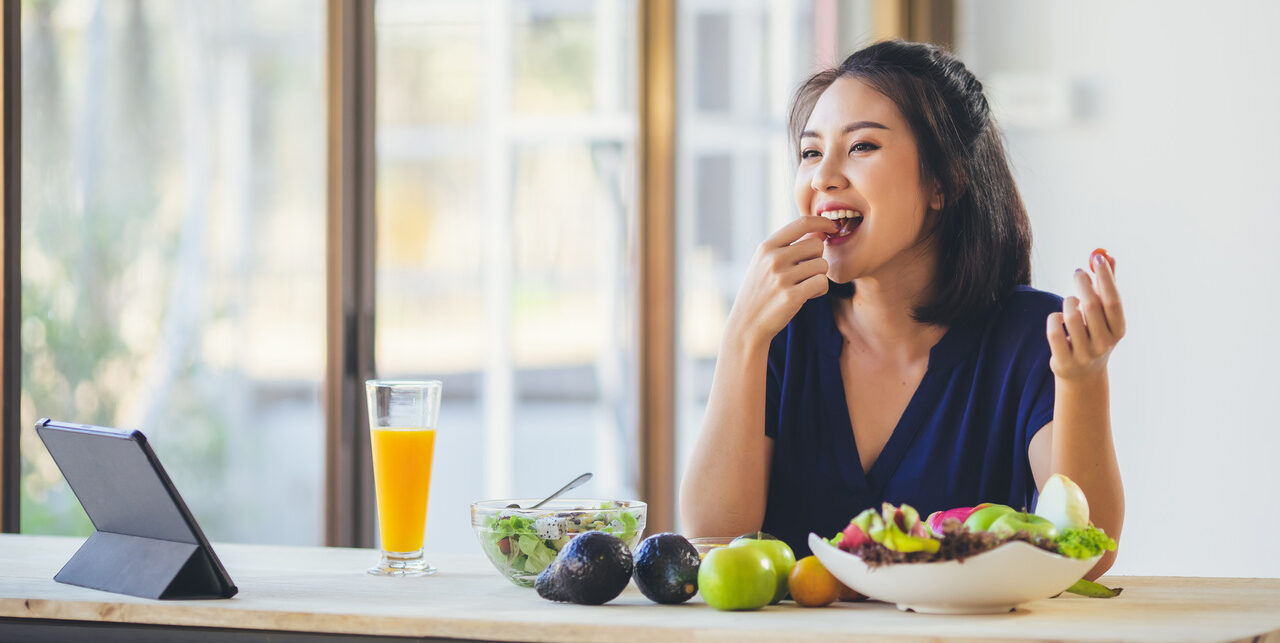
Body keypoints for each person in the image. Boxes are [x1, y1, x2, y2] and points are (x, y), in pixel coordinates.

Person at [678, 40, 1124, 580]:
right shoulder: (782, 332)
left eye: (861, 147)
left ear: (943, 180)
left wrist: (1084, 378)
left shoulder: (1031, 337)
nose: (822, 177)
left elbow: (1087, 556)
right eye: (811, 152)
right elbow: (712, 541)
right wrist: (742, 337)